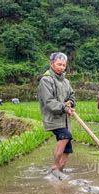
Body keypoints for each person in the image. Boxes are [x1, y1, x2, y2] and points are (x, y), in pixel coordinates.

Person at [37, 52, 76, 180]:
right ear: (52, 64)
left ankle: (59, 171)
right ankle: (54, 167)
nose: (61, 67)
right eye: (59, 64)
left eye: (64, 65)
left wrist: (70, 102)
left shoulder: (66, 82)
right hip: (53, 118)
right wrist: (64, 107)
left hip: (65, 119)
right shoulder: (46, 80)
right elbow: (49, 102)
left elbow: (72, 95)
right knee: (66, 135)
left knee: (68, 147)